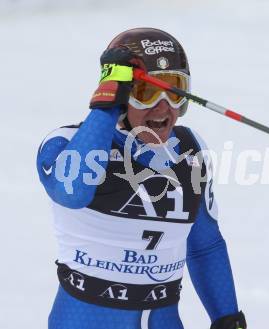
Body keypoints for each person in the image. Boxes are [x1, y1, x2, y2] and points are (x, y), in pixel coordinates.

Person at [36, 27, 247, 329]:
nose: (163, 107)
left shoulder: (190, 150)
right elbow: (73, 192)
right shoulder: (65, 143)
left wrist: (227, 318)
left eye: (174, 90)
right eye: (146, 92)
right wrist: (106, 105)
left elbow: (205, 244)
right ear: (121, 95)